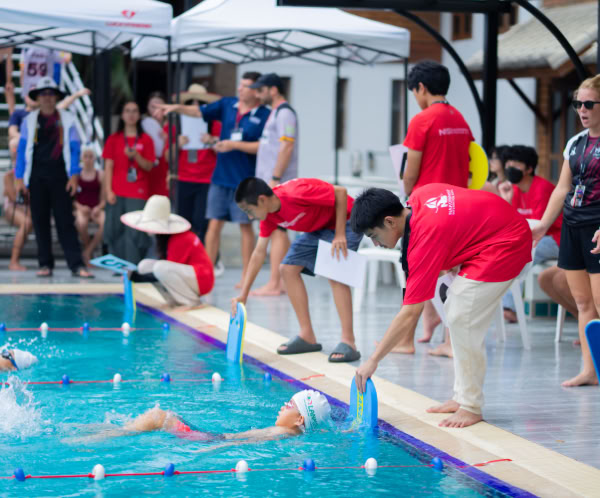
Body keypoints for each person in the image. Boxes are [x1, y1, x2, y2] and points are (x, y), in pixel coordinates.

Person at [351, 184, 531, 427]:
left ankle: (471, 405)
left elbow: (410, 312)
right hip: (499, 229)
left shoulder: (425, 237)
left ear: (390, 222)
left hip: (508, 242)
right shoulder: (418, 197)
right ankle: (462, 396)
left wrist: (373, 360)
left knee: (461, 314)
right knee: (457, 310)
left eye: (374, 236)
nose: (375, 243)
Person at [232, 177, 363, 362]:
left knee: (335, 273)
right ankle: (307, 335)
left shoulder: (295, 193)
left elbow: (340, 192)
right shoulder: (269, 216)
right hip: (319, 226)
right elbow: (259, 252)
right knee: (287, 268)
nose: (250, 217)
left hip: (347, 219)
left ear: (262, 199)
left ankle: (348, 341)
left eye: (249, 210)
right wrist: (243, 294)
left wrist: (340, 234)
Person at [161, 72, 270, 287]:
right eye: (240, 85)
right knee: (214, 224)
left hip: (245, 181)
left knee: (244, 227)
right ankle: (207, 273)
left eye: (246, 86)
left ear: (257, 91)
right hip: (220, 177)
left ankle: (246, 276)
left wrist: (232, 144)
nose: (240, 89)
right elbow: (198, 111)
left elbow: (265, 147)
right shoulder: (228, 105)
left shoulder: (265, 114)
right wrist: (176, 108)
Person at [532, 75, 600, 387]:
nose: (582, 110)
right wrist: (543, 225)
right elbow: (562, 188)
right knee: (584, 304)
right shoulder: (575, 143)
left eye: (589, 104)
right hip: (573, 227)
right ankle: (590, 370)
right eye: (578, 104)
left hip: (597, 227)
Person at [402, 61, 474, 347]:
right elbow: (471, 162)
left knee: (418, 269)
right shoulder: (460, 118)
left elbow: (411, 170)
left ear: (421, 87)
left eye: (414, 92)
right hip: (458, 205)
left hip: (429, 206)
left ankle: (447, 340)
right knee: (451, 271)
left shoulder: (422, 119)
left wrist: (406, 197)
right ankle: (434, 321)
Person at [14, 76, 92, 278]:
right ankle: (45, 264)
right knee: (40, 221)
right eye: (43, 94)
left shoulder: (67, 119)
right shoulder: (29, 121)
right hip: (37, 177)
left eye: (51, 94)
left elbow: (75, 148)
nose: (47, 98)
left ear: (56, 97)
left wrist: (74, 175)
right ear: (38, 98)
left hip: (60, 176)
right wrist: (19, 178)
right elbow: (23, 151)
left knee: (65, 221)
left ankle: (76, 265)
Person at [74, 390, 331, 446]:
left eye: (288, 405)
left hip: (207, 439)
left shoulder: (279, 433)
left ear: (299, 419)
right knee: (159, 418)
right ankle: (101, 432)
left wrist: (206, 450)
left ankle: (91, 436)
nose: (281, 406)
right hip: (209, 438)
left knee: (159, 416)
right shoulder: (287, 433)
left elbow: (237, 442)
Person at [244, 72, 299, 296]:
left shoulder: (286, 114)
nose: (257, 94)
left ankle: (276, 282)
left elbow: (287, 146)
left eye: (261, 90)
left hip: (278, 183)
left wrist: (276, 177)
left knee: (278, 230)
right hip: (269, 181)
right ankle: (276, 281)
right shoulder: (275, 113)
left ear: (273, 90)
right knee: (275, 230)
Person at [498, 145, 562, 322]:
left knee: (521, 252)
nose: (510, 168)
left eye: (516, 164)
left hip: (556, 240)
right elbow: (508, 225)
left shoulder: (543, 189)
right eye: (508, 163)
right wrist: (507, 200)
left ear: (529, 169)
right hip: (535, 239)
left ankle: (509, 306)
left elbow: (540, 227)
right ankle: (505, 306)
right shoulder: (514, 190)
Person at [121, 195, 214, 308]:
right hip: (190, 275)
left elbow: (165, 271)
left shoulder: (179, 238)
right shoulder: (167, 238)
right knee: (143, 266)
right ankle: (174, 300)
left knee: (160, 267)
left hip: (202, 280)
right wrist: (134, 274)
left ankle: (191, 301)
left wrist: (134, 277)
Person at [166, 84, 221, 244]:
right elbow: (168, 157)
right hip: (184, 179)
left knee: (202, 221)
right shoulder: (177, 126)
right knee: (183, 221)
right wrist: (178, 144)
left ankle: (203, 255)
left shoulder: (214, 125)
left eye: (200, 102)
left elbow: (223, 150)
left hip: (206, 180)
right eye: (191, 102)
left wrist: (211, 141)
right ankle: (185, 255)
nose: (195, 106)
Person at [102, 101, 155, 265]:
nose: (131, 114)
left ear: (139, 115)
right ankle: (119, 264)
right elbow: (108, 166)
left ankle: (134, 264)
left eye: (134, 111)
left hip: (138, 191)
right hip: (117, 191)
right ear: (122, 115)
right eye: (127, 111)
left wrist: (136, 156)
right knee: (115, 228)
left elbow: (149, 165)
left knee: (136, 231)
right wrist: (108, 191)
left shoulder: (146, 139)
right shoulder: (113, 139)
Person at [8, 88, 91, 167]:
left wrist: (77, 94)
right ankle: (16, 169)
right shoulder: (18, 113)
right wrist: (28, 139)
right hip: (27, 140)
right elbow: (12, 131)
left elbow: (64, 104)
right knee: (14, 143)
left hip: (44, 143)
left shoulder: (48, 111)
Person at [74, 146, 105, 265]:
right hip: (82, 208)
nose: (88, 159)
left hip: (96, 208)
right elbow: (73, 199)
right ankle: (89, 252)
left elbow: (104, 197)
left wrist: (99, 207)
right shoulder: (76, 175)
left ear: (94, 158)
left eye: (90, 157)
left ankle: (88, 250)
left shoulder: (100, 175)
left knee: (105, 223)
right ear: (82, 158)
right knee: (81, 223)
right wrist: (81, 208)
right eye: (85, 157)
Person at [3, 169, 32, 271]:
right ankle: (13, 261)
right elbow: (13, 199)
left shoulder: (32, 173)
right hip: (12, 208)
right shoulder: (9, 176)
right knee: (26, 223)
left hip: (29, 210)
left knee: (31, 221)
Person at [142, 91, 169, 197]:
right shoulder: (143, 125)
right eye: (153, 106)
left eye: (159, 106)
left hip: (165, 167)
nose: (156, 110)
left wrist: (167, 139)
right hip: (148, 165)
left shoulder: (171, 125)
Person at [0, 47, 15, 117]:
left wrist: (8, 81)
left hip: (5, 65)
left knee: (9, 88)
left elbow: (9, 57)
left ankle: (13, 119)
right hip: (4, 61)